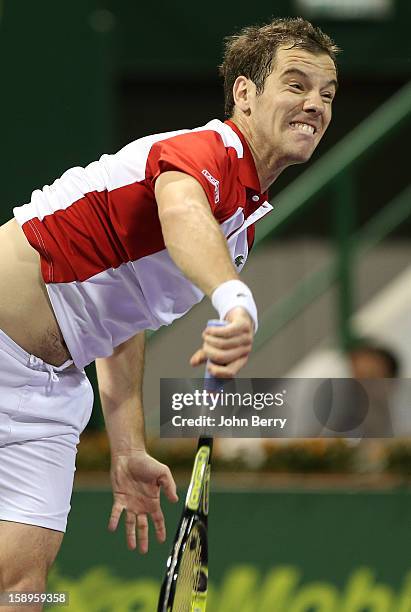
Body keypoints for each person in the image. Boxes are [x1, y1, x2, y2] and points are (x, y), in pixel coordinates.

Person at [0, 16, 339, 607]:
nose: (315, 104)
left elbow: (121, 320)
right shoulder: (203, 153)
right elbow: (181, 212)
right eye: (296, 84)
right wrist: (234, 298)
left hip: (52, 397)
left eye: (327, 94)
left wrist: (128, 444)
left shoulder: (238, 228)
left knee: (24, 592)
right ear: (245, 93)